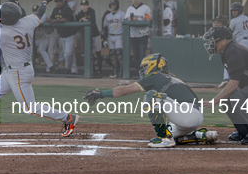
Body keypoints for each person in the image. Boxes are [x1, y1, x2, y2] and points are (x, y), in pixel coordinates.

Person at [0, 0, 80, 139]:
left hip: (18, 73)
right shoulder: (27, 22)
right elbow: (40, 12)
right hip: (15, 70)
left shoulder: (2, 33)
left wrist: (4, 7)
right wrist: (45, 1)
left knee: (30, 108)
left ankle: (68, 118)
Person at [84, 54, 218, 148]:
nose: (144, 70)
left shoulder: (155, 75)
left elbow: (124, 90)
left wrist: (99, 94)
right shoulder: (170, 77)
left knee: (151, 96)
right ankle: (201, 135)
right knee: (170, 130)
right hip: (191, 117)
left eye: (146, 66)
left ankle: (164, 139)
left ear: (155, 65)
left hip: (187, 115)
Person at [218, 2, 248, 89]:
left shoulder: (234, 21)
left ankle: (226, 79)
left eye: (235, 11)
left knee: (229, 60)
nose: (233, 12)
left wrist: (224, 29)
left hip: (243, 42)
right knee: (247, 63)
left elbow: (228, 34)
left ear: (240, 11)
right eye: (232, 11)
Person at [46, 0, 77, 74]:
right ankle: (72, 70)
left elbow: (67, 19)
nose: (58, 3)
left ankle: (67, 68)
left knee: (68, 53)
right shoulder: (55, 9)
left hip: (70, 35)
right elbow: (52, 17)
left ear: (62, 2)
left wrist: (55, 20)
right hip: (61, 35)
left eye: (59, 1)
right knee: (69, 54)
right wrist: (49, 18)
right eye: (57, 2)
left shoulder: (67, 8)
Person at [125, 0, 151, 79]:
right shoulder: (129, 9)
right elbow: (126, 19)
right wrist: (132, 19)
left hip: (143, 34)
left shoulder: (146, 8)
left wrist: (138, 19)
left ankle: (143, 74)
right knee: (135, 56)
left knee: (142, 55)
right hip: (133, 35)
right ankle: (137, 73)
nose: (134, 1)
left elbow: (148, 19)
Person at [76, 0, 103, 78]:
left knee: (98, 54)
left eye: (85, 5)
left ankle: (100, 71)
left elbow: (92, 20)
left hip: (95, 35)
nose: (84, 7)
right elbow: (77, 20)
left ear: (88, 5)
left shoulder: (91, 11)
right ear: (81, 6)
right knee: (89, 54)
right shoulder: (80, 13)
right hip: (87, 37)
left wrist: (83, 20)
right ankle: (93, 71)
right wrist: (81, 19)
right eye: (82, 5)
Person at [103, 0, 125, 78]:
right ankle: (115, 73)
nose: (113, 6)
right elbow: (105, 28)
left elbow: (125, 26)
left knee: (119, 54)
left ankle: (122, 73)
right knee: (112, 55)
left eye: (114, 5)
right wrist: (105, 39)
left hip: (119, 35)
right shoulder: (107, 16)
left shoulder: (122, 14)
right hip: (110, 36)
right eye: (111, 5)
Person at [37, 3, 58, 74]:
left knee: (50, 51)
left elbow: (38, 24)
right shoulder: (33, 16)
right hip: (46, 34)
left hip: (53, 33)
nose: (35, 12)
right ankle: (51, 65)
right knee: (41, 49)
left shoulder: (43, 15)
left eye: (36, 11)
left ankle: (49, 70)